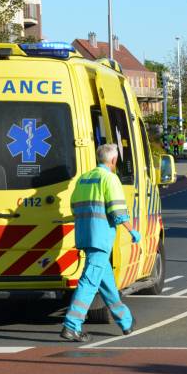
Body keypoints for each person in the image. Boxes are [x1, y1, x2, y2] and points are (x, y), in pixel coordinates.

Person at [61, 144, 140, 342]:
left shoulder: (84, 178)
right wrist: (132, 231)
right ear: (113, 161)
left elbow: (74, 206)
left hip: (85, 236)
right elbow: (118, 211)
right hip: (101, 237)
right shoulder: (110, 178)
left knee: (106, 284)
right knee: (89, 282)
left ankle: (125, 320)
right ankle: (72, 325)